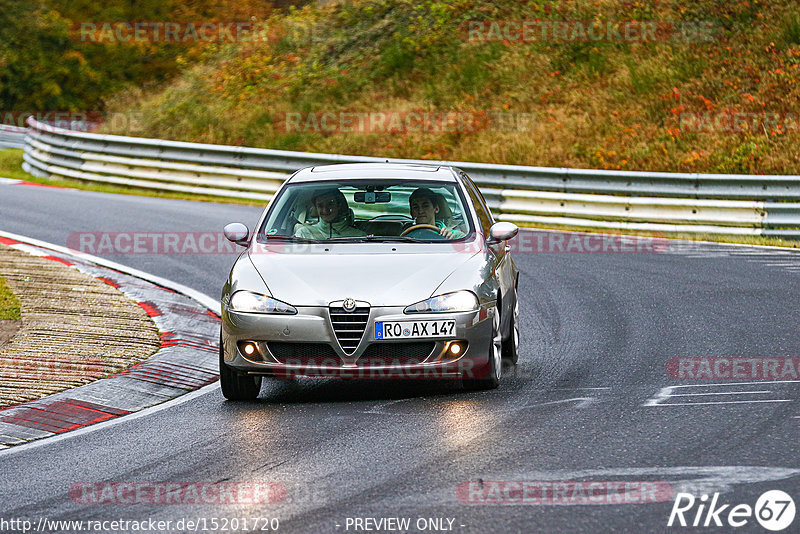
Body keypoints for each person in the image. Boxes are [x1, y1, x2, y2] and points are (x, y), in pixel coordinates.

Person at [295, 188, 366, 239]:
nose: (325, 210)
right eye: (320, 206)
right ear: (316, 208)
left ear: (339, 205)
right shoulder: (303, 233)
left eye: (330, 204)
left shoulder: (358, 236)